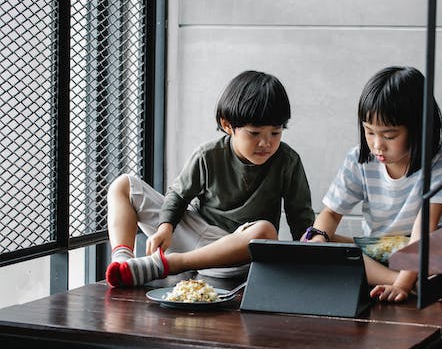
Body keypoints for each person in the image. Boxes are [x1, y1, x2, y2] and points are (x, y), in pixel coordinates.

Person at [106, 70, 315, 287]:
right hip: (193, 233)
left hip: (232, 252)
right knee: (123, 185)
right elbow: (178, 195)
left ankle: (171, 264)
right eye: (254, 133)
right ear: (227, 125)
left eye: (275, 132)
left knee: (266, 231)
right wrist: (165, 227)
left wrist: (311, 251)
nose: (266, 143)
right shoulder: (208, 155)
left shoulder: (287, 161)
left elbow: (301, 219)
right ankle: (123, 263)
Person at [301, 66, 442, 303]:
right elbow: (331, 213)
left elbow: (424, 229)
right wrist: (319, 237)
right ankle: (398, 279)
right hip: (379, 249)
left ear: (418, 128)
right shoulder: (359, 159)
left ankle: (405, 280)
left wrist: (403, 285)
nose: (377, 145)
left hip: (425, 250)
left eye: (389, 136)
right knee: (319, 243)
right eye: (369, 132)